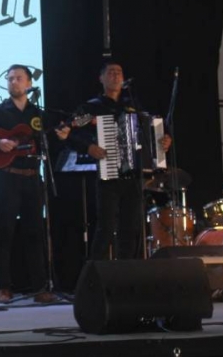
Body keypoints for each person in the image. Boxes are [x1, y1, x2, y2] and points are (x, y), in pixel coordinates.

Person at [61, 60, 171, 260]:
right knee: (106, 227)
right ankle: (97, 270)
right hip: (108, 174)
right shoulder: (92, 108)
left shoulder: (133, 106)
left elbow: (153, 127)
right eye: (110, 72)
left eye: (119, 72)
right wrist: (89, 147)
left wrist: (164, 139)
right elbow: (69, 130)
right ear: (101, 78)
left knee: (131, 227)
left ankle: (126, 270)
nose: (115, 75)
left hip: (134, 176)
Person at [0, 65, 55, 304]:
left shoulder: (38, 113)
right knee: (4, 231)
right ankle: (3, 286)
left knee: (35, 232)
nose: (14, 82)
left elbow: (48, 139)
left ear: (29, 83)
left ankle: (40, 286)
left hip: (32, 176)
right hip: (6, 176)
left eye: (19, 78)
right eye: (10, 79)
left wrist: (62, 134)